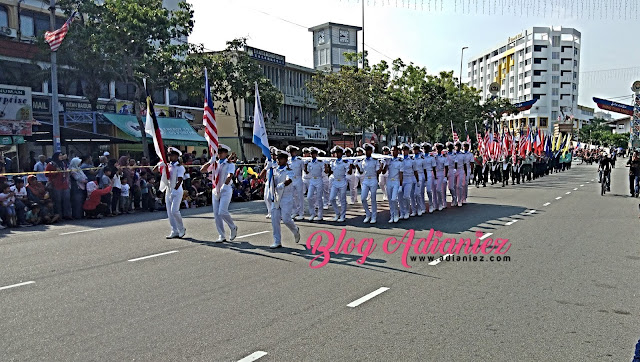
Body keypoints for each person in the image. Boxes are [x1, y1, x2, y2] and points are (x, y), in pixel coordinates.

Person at [202, 144, 237, 243]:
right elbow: (203, 170)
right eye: (218, 152)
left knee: (222, 211)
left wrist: (224, 186)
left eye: (221, 152)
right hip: (215, 190)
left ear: (226, 153)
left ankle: (233, 227)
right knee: (217, 214)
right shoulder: (215, 164)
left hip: (226, 189)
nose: (219, 154)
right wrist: (210, 161)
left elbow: (230, 175)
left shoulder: (230, 164)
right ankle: (221, 235)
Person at [269, 150, 301, 249]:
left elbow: (289, 179)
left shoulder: (289, 170)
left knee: (286, 219)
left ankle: (295, 229)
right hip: (277, 197)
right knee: (274, 220)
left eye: (281, 159)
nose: (279, 161)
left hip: (286, 197)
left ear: (286, 160)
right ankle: (277, 241)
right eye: (278, 159)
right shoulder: (274, 170)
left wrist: (283, 184)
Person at [163, 147, 187, 239]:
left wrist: (175, 189)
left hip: (176, 191)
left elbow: (180, 179)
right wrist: (160, 164)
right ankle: (174, 230)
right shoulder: (168, 166)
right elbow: (156, 171)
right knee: (169, 212)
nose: (170, 157)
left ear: (177, 156)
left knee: (174, 211)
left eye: (172, 155)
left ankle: (181, 229)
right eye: (169, 155)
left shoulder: (179, 167)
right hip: (168, 190)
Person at [356, 143, 382, 224]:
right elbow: (361, 171)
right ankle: (368, 214)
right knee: (363, 198)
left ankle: (374, 216)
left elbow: (378, 171)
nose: (367, 152)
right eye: (366, 150)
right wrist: (356, 164)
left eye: (369, 150)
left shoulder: (375, 160)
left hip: (373, 179)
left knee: (373, 199)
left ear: (371, 151)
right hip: (366, 180)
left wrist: (381, 167)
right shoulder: (363, 161)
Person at [45, 152, 72, 219]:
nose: (61, 157)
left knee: (66, 200)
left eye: (61, 155)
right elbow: (46, 174)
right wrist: (56, 172)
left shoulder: (63, 163)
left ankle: (67, 215)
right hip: (56, 185)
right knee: (57, 201)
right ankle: (59, 215)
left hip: (65, 184)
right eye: (59, 155)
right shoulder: (51, 164)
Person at [327, 146, 350, 223]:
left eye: (338, 153)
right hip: (335, 181)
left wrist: (349, 164)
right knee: (332, 198)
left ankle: (343, 215)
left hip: (342, 181)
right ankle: (337, 213)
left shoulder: (345, 163)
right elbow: (331, 171)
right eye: (335, 153)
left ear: (341, 153)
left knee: (342, 199)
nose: (336, 154)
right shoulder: (333, 162)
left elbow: (348, 172)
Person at [305, 147, 325, 221]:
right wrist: (305, 165)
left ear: (316, 154)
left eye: (313, 153)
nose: (312, 155)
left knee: (319, 198)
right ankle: (312, 213)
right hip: (312, 180)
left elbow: (325, 171)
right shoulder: (309, 163)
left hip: (319, 179)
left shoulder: (320, 162)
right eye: (311, 153)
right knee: (309, 197)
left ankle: (320, 214)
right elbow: (307, 172)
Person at [286, 145, 305, 220]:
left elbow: (304, 170)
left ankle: (301, 213)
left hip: (298, 179)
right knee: (292, 197)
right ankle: (294, 211)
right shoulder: (288, 161)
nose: (291, 153)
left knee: (300, 197)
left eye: (292, 152)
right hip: (291, 179)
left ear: (295, 152)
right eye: (290, 152)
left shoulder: (300, 160)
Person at [400, 144, 419, 219]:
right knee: (400, 198)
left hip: (408, 179)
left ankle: (407, 211)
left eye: (406, 150)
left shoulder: (412, 160)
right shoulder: (399, 159)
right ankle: (402, 212)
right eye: (403, 150)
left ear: (408, 151)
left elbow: (415, 171)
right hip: (400, 179)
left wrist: (417, 181)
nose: (404, 151)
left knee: (406, 196)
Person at [386, 146, 403, 223]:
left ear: (397, 151)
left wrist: (400, 185)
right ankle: (391, 215)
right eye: (392, 150)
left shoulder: (400, 161)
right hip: (389, 181)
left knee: (394, 199)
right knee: (390, 200)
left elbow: (401, 174)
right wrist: (384, 163)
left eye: (394, 150)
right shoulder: (388, 160)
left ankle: (396, 214)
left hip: (396, 181)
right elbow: (383, 171)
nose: (393, 152)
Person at [422, 143, 437, 213]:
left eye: (426, 148)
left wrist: (435, 177)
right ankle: (422, 207)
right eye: (424, 148)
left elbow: (434, 168)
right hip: (421, 173)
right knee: (421, 192)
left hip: (429, 173)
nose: (425, 149)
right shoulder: (420, 156)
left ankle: (431, 205)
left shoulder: (431, 157)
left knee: (428, 190)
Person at [434, 143, 449, 211]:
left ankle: (442, 203)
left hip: (441, 173)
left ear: (441, 149)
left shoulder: (444, 157)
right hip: (434, 173)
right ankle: (435, 205)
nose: (438, 150)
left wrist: (445, 176)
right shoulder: (434, 156)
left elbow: (446, 167)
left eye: (439, 148)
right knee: (434, 190)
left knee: (439, 190)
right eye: (437, 148)